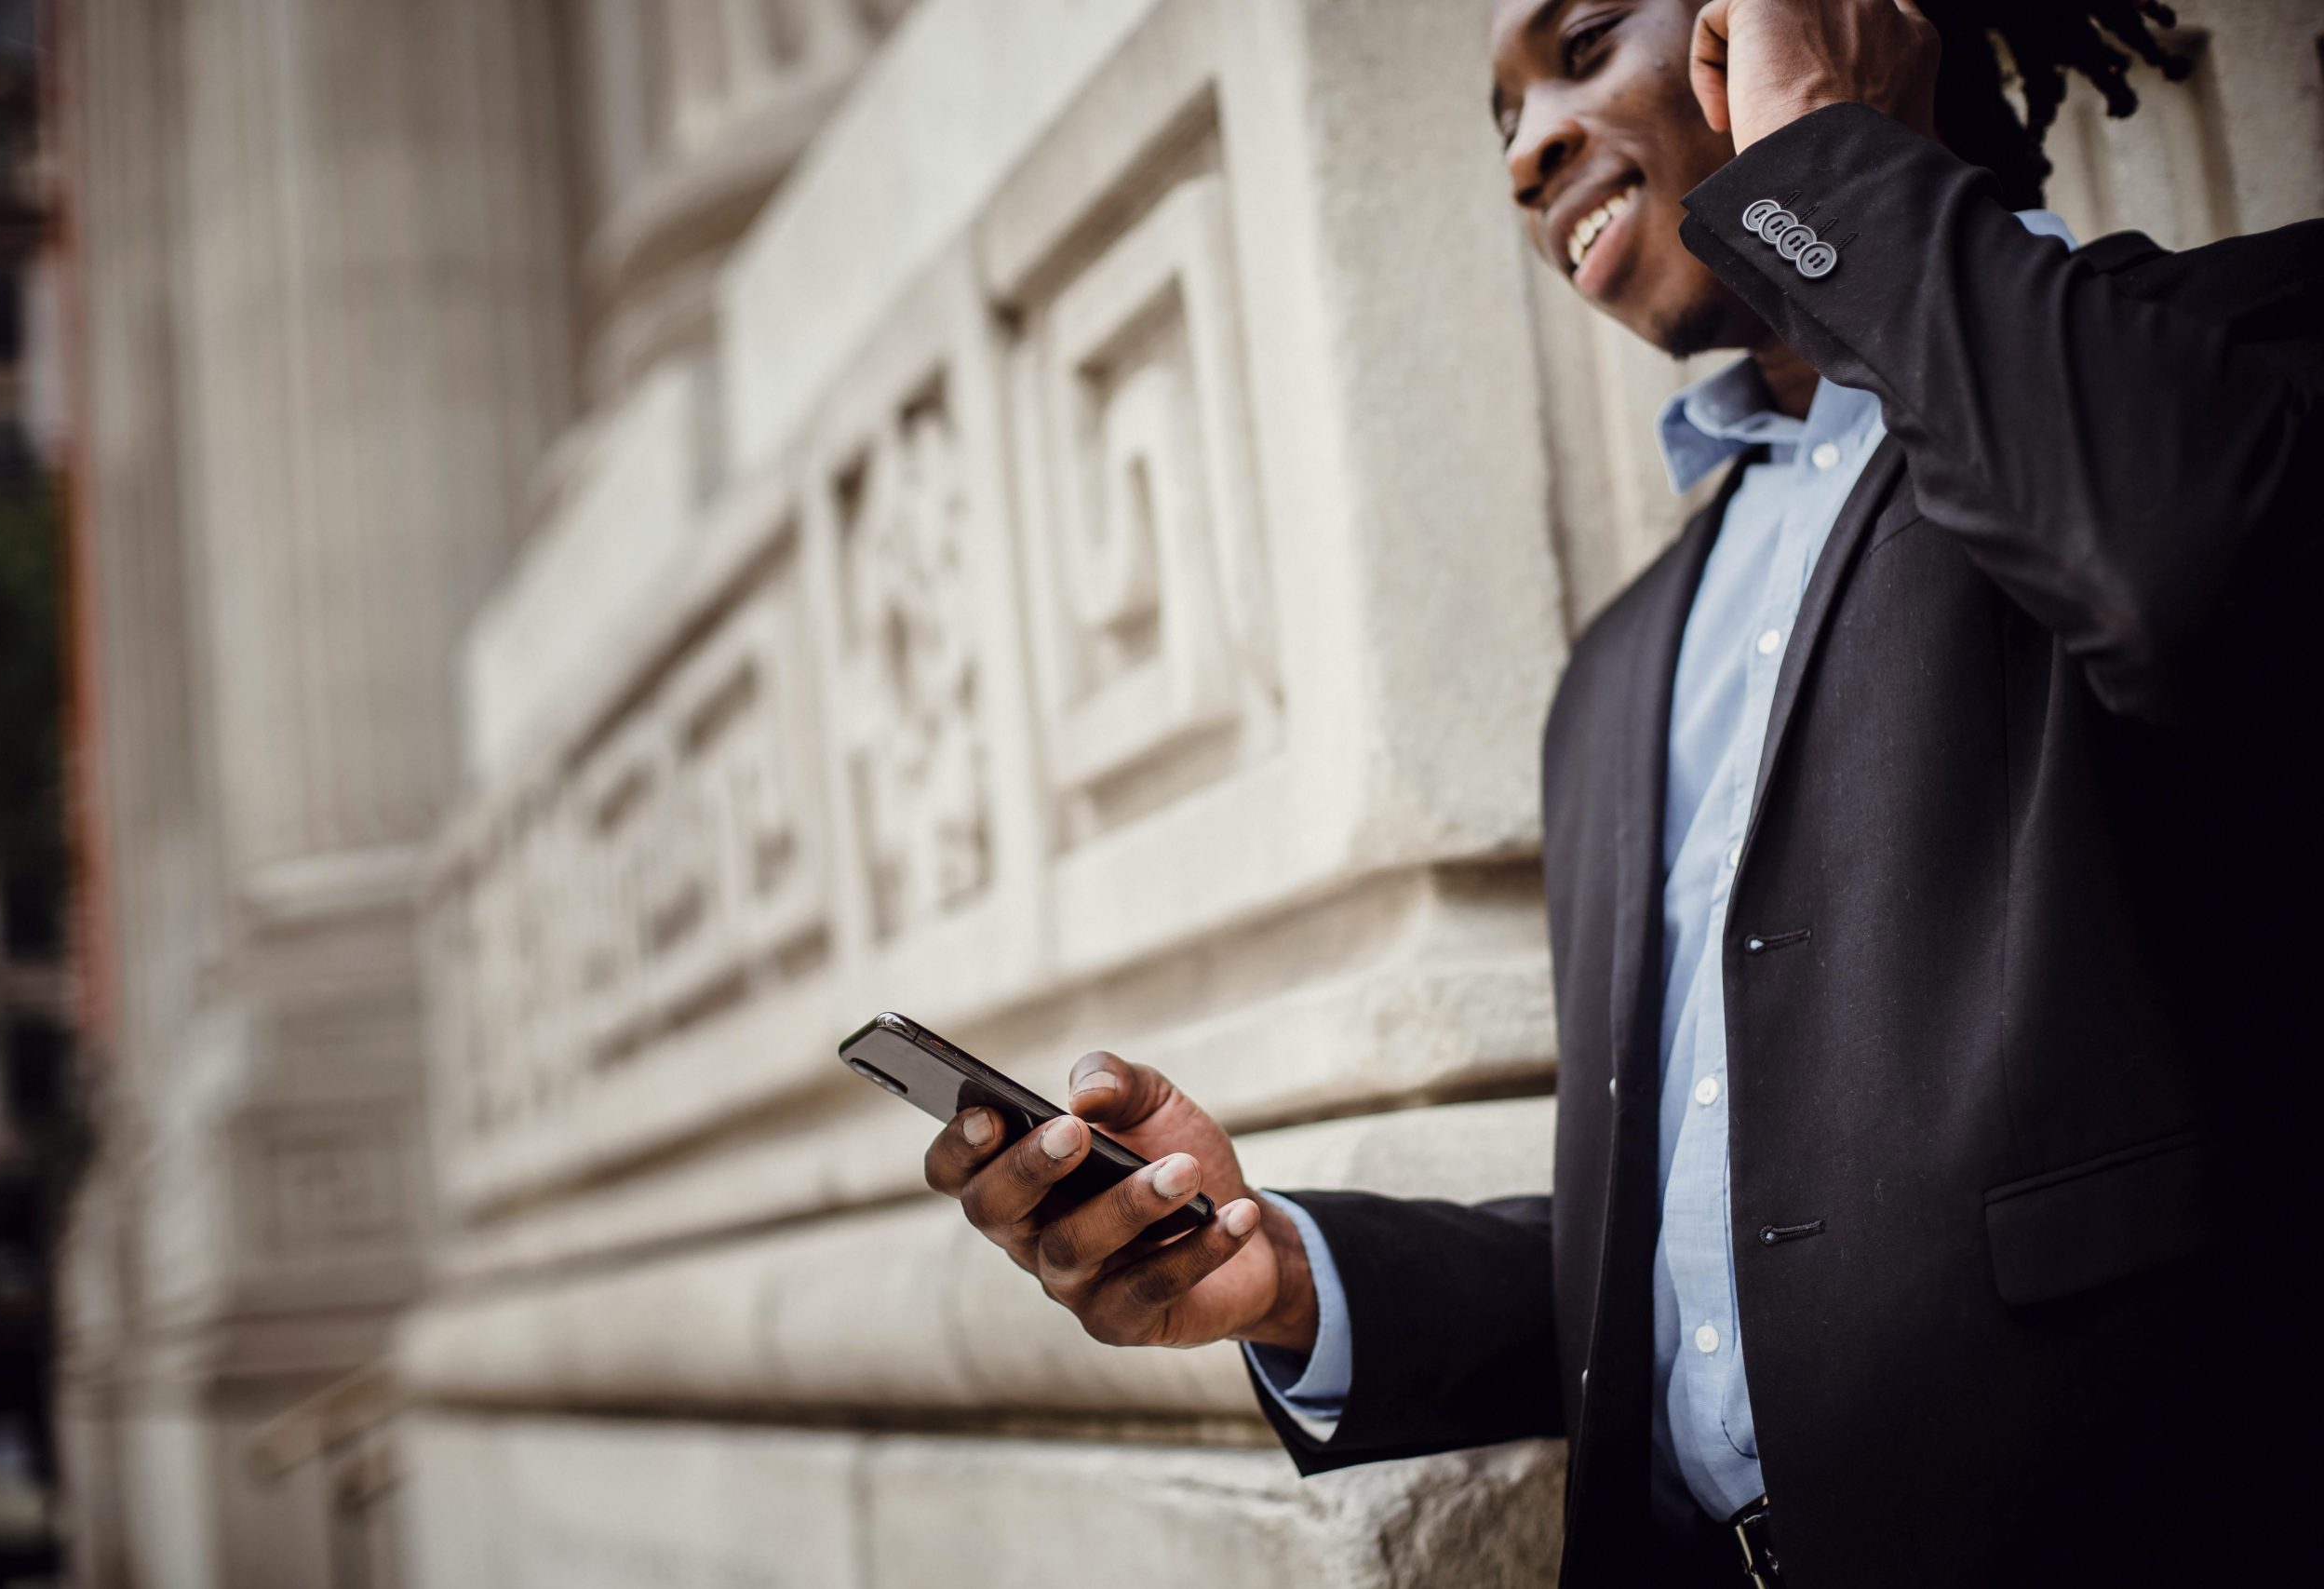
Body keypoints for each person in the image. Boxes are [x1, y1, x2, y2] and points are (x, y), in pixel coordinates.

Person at [920, 2, 2324, 1582]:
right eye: (1501, 118)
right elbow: (1719, 1251)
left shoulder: (2237, 349)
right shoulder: (1623, 669)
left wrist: (1819, 167)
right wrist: (1291, 1277)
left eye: (1586, 42)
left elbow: (2186, 586)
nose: (1527, 153)